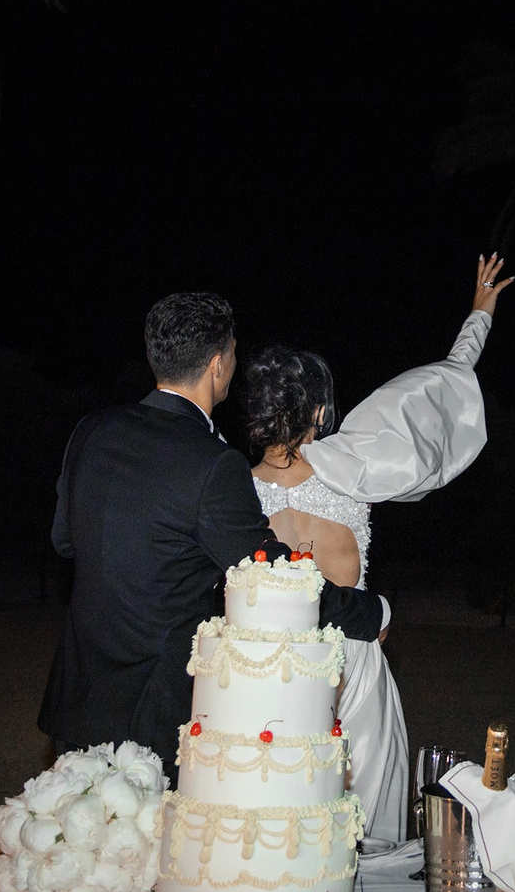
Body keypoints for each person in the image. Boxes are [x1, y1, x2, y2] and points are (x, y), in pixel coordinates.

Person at [38, 291, 389, 783]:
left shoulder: (92, 430)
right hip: (153, 714)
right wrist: (373, 612)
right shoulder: (213, 463)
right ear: (218, 364)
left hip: (75, 695)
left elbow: (65, 543)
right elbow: (275, 578)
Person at [246, 254, 512, 845]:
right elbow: (440, 391)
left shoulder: (230, 494)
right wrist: (480, 316)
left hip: (260, 681)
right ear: (318, 410)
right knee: (366, 837)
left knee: (275, 834)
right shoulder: (350, 463)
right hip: (355, 673)